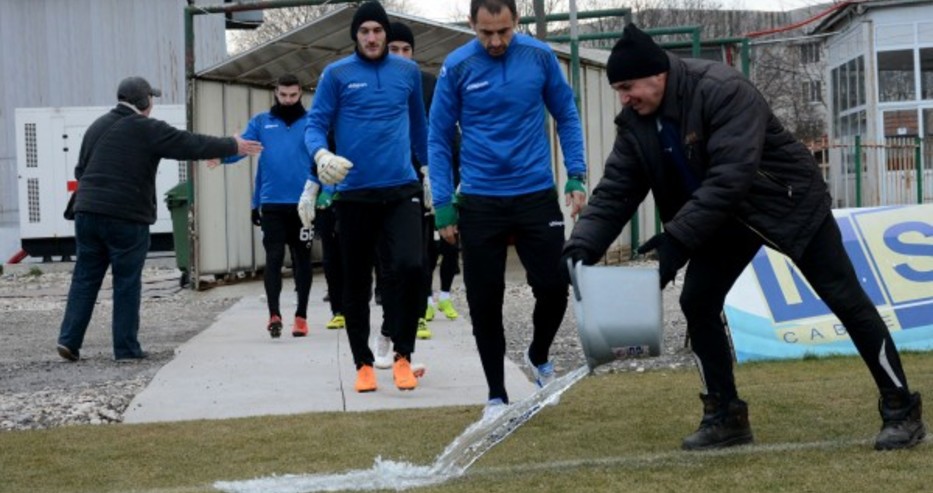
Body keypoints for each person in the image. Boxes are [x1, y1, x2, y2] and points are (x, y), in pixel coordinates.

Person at [561, 24, 925, 451]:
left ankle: (901, 408)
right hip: (722, 218)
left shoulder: (722, 89)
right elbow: (615, 191)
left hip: (787, 203)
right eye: (617, 90)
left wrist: (676, 241)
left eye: (628, 87)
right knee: (697, 301)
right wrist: (581, 247)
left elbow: (731, 177)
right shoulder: (636, 125)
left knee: (844, 296)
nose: (623, 98)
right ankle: (726, 416)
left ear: (658, 74)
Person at [428, 0, 587, 420]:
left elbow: (567, 114)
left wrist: (576, 174)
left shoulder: (539, 57)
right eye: (486, 33)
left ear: (516, 21)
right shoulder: (457, 66)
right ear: (471, 25)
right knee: (484, 300)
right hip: (480, 199)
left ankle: (538, 354)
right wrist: (442, 203)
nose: (496, 41)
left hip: (535, 192)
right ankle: (497, 397)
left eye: (503, 31)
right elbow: (438, 137)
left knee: (554, 286)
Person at [56, 76, 262, 361]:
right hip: (125, 216)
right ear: (144, 101)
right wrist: (231, 145)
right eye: (151, 98)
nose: (152, 103)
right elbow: (189, 144)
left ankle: (69, 341)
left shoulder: (96, 126)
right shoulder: (147, 128)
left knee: (85, 277)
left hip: (86, 212)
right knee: (126, 281)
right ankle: (126, 349)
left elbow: (81, 171)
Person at [301, 1, 429, 393]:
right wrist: (320, 158)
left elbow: (420, 128)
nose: (372, 38)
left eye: (377, 30)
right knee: (355, 281)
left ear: (386, 33)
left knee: (410, 267)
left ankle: (403, 355)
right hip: (354, 194)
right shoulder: (336, 74)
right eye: (364, 31)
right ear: (355, 35)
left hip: (401, 189)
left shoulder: (407, 72)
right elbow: (315, 125)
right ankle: (363, 364)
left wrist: (430, 172)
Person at [215, 74, 314, 339]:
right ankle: (274, 315)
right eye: (283, 95)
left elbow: (323, 157)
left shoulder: (312, 122)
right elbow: (241, 148)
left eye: (293, 95)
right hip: (272, 203)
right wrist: (220, 156)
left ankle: (301, 317)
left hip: (304, 204)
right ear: (276, 93)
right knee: (273, 258)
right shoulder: (261, 122)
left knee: (302, 260)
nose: (288, 100)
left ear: (300, 93)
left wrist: (325, 195)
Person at [386, 21, 463, 337]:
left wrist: (451, 175)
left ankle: (435, 300)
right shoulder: (373, 85)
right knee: (407, 253)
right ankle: (412, 308)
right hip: (391, 180)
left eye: (406, 49)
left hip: (430, 176)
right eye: (394, 49)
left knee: (442, 243)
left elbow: (447, 130)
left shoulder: (429, 84)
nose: (401, 55)